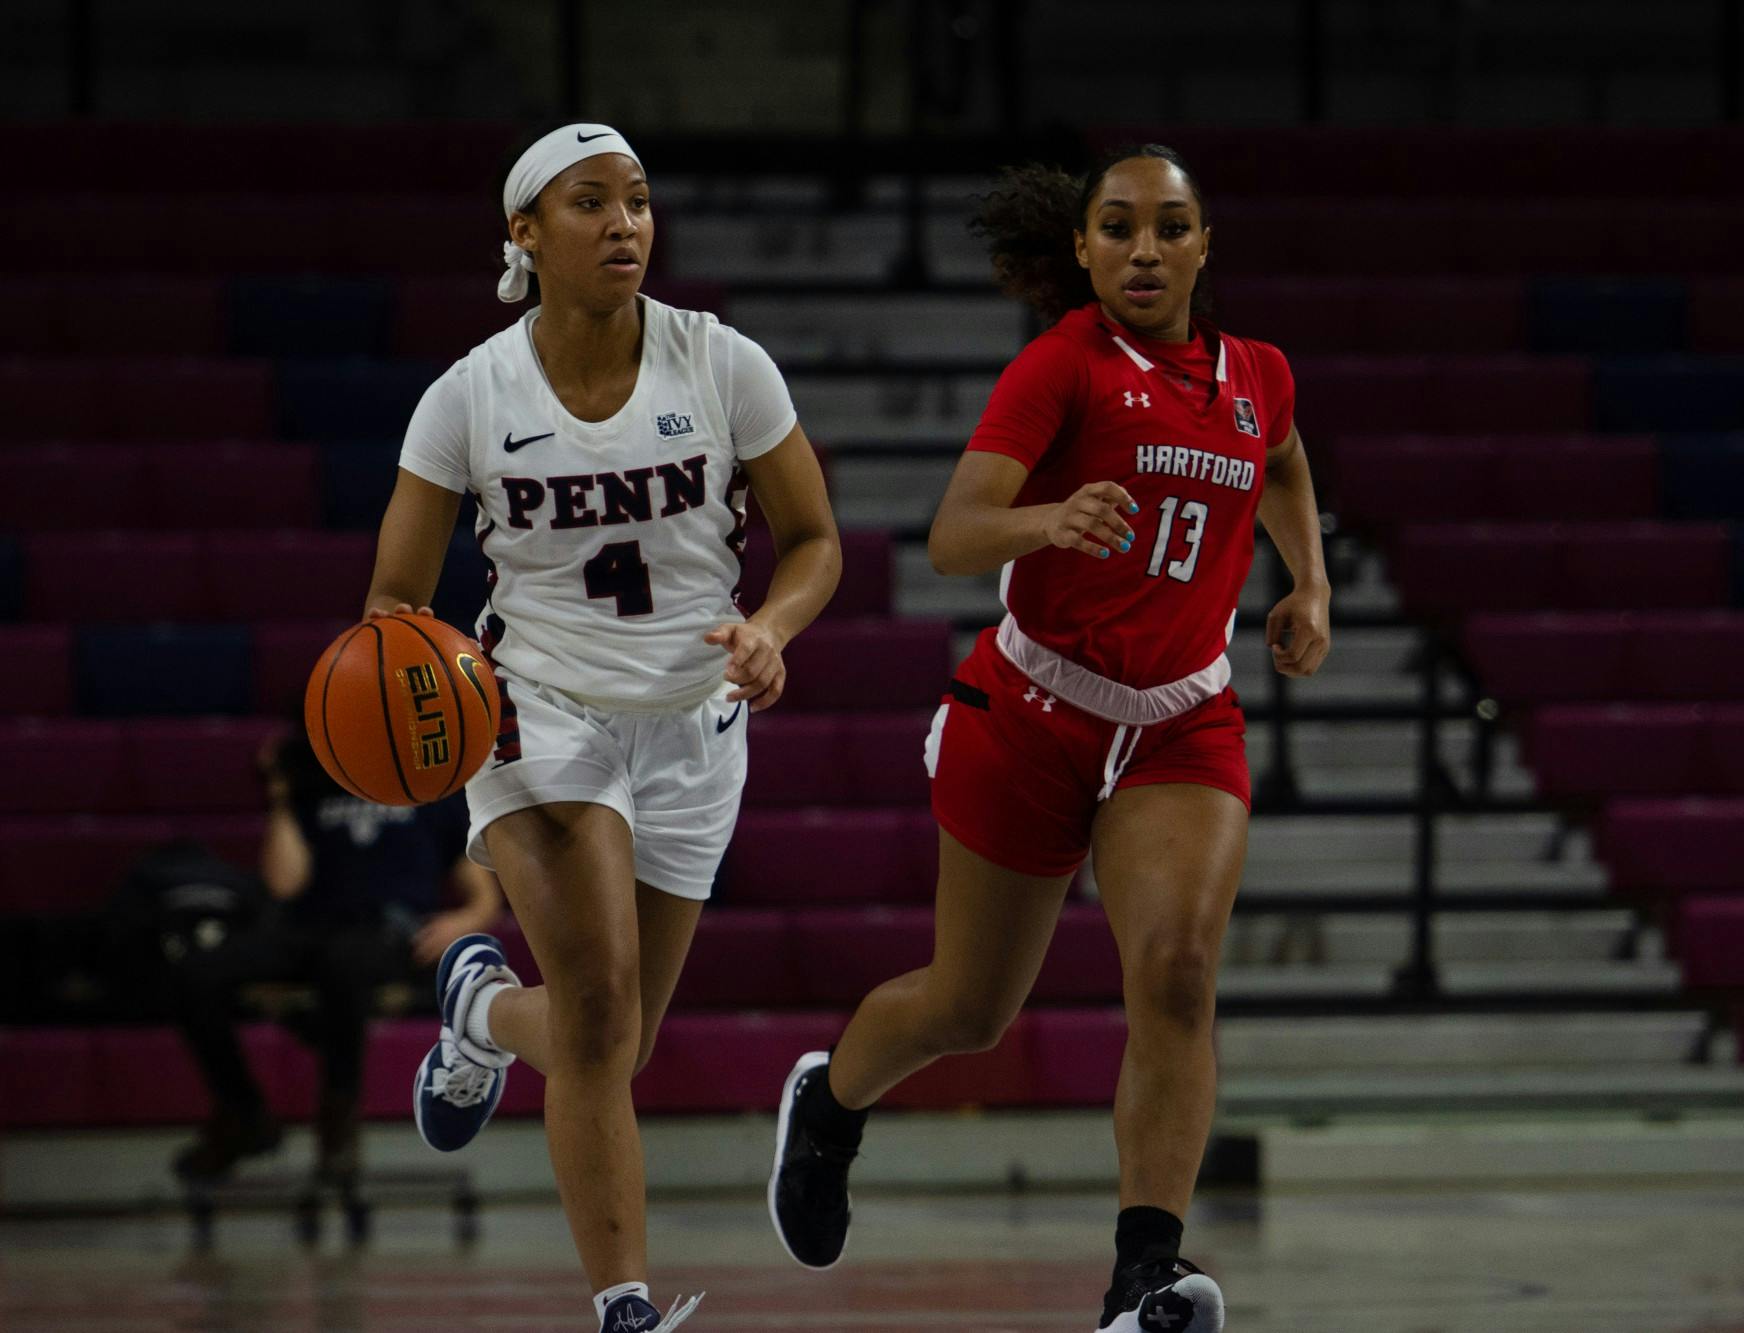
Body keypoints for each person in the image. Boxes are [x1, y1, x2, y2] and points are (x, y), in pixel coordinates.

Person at [768, 144, 1331, 1333]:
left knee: (1176, 973)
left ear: (1203, 246)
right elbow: (953, 535)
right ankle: (828, 1106)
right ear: (1082, 247)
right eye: (1117, 227)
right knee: (968, 1011)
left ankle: (1144, 1273)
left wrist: (1309, 580)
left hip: (1179, 723)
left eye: (1168, 226)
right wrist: (1050, 519)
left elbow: (1279, 456)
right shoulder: (1061, 365)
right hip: (1031, 711)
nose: (1143, 249)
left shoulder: (1258, 375)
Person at [367, 121, 840, 1333]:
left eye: (635, 199)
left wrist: (771, 626)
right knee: (592, 1013)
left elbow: (814, 542)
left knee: (611, 1047)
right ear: (524, 233)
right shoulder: (469, 396)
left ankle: (478, 1009)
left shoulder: (722, 363)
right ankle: (624, 1309)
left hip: (695, 722)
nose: (624, 222)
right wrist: (424, 692)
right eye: (590, 202)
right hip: (539, 709)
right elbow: (394, 603)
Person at [171, 728, 500, 1187]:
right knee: (196, 972)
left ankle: (338, 1119)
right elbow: (283, 884)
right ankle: (243, 1113)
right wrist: (281, 795)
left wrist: (464, 920)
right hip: (309, 929)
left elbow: (483, 897)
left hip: (390, 932)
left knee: (343, 962)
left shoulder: (429, 789)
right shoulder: (314, 786)